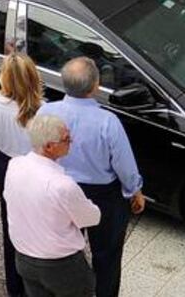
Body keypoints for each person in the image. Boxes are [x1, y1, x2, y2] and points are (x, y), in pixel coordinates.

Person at [37, 57, 145, 297]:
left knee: (61, 250)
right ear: (94, 85)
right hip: (102, 196)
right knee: (106, 254)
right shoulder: (108, 122)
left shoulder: (46, 111)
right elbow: (124, 165)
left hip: (57, 189)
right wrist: (134, 191)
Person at [5, 115, 101, 297]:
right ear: (49, 146)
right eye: (66, 139)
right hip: (61, 265)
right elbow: (91, 217)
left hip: (24, 257)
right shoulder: (62, 185)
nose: (70, 141)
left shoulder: (15, 165)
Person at [0, 53, 43, 297]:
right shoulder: (43, 111)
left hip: (5, 165)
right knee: (36, 227)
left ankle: (14, 286)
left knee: (11, 226)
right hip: (34, 169)